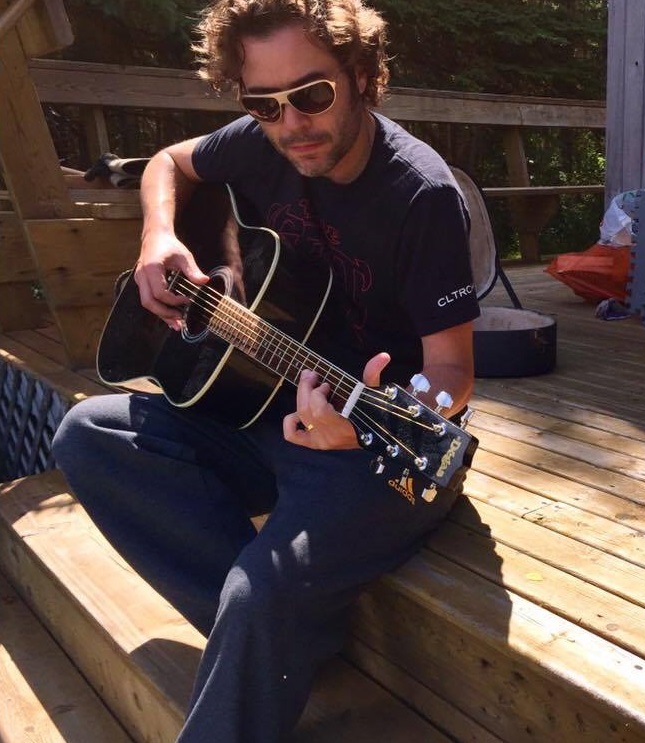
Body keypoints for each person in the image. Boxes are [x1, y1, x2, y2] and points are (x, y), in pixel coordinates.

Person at [52, 1, 479, 740]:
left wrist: (360, 427)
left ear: (361, 75)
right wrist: (157, 237)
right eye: (264, 103)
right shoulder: (257, 143)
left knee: (257, 596)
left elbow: (451, 373)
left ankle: (266, 623)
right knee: (89, 433)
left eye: (311, 94)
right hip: (262, 410)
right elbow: (168, 162)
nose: (291, 123)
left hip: (376, 444)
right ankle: (281, 632)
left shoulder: (421, 194)